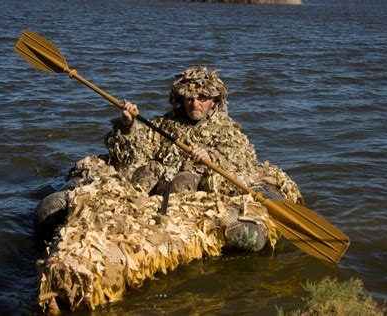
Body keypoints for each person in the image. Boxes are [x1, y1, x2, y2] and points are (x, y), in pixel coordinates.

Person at [102, 66, 304, 251]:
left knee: (185, 179)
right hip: (159, 188)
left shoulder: (225, 128)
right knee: (147, 171)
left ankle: (176, 230)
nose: (195, 104)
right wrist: (128, 125)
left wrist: (211, 156)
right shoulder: (165, 124)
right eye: (189, 98)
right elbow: (135, 154)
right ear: (180, 99)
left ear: (214, 101)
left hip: (192, 192)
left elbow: (240, 160)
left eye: (202, 98)